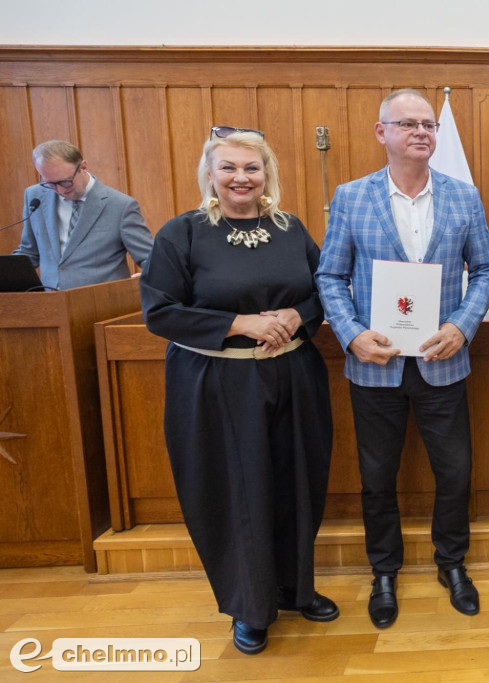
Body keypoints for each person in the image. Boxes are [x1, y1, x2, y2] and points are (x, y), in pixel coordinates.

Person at [140, 127, 336, 656]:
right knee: (236, 493)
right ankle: (249, 607)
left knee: (297, 482)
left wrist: (299, 313)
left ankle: (296, 588)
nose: (240, 178)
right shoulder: (181, 235)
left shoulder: (291, 229)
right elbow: (159, 311)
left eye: (252, 168)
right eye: (228, 167)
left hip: (293, 375)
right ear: (210, 174)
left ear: (267, 173)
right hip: (216, 384)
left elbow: (329, 289)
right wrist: (241, 323)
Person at [316, 89, 489, 629]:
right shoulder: (350, 197)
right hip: (375, 364)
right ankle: (384, 572)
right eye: (407, 123)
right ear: (382, 133)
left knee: (455, 472)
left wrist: (462, 327)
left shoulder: (463, 196)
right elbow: (330, 276)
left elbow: (485, 270)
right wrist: (351, 335)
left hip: (443, 361)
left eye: (428, 124)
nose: (421, 132)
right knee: (377, 476)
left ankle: (452, 564)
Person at [15, 140, 153, 290]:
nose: (60, 190)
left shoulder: (121, 206)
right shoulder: (35, 196)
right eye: (50, 183)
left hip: (102, 305)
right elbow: (29, 252)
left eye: (66, 182)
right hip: (52, 304)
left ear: (83, 167)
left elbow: (149, 258)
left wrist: (150, 275)